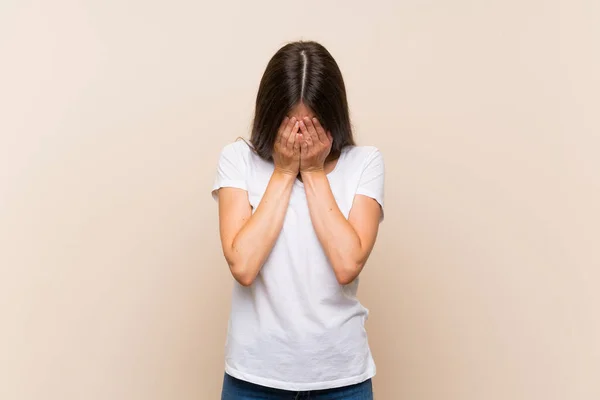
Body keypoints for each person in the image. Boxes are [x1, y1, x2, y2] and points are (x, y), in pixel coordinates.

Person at [212, 40, 384, 400]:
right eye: (291, 125)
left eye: (313, 126)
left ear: (332, 118)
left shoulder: (364, 162)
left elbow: (347, 263)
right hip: (253, 378)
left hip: (341, 380)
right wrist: (286, 171)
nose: (302, 137)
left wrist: (316, 172)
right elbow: (243, 265)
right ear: (271, 116)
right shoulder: (237, 160)